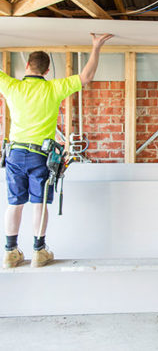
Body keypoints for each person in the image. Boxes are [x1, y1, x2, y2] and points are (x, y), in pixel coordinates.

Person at [1, 33, 113, 268]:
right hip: (40, 156)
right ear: (47, 70)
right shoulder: (54, 88)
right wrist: (95, 46)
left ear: (27, 66)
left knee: (15, 203)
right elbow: (86, 76)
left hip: (14, 153)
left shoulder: (11, 86)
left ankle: (10, 253)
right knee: (39, 203)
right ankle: (39, 251)